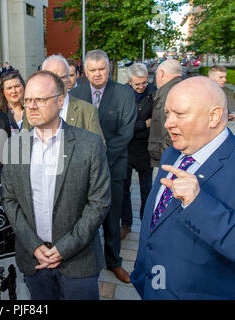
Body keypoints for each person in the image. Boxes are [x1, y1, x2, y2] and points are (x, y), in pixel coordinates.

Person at [1, 71, 111, 300]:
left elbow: (99, 203)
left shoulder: (89, 145)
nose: (31, 106)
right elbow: (10, 200)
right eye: (28, 100)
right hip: (35, 262)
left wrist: (64, 249)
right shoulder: (15, 147)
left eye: (39, 100)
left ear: (60, 101)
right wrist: (33, 246)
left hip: (78, 263)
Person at [131, 76, 235, 299]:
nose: (168, 123)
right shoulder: (172, 153)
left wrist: (198, 205)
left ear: (214, 116)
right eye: (168, 113)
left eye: (180, 114)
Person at [70, 50, 137, 283]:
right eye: (93, 70)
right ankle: (82, 260)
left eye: (102, 69)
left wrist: (99, 160)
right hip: (80, 170)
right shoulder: (74, 94)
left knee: (111, 216)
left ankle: (114, 261)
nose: (98, 74)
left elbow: (125, 133)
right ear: (85, 72)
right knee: (81, 216)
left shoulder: (124, 94)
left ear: (109, 68)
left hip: (113, 167)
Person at [29, 54, 104, 140]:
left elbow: (99, 147)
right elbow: (24, 145)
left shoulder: (87, 111)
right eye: (52, 77)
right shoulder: (32, 109)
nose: (57, 82)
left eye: (62, 77)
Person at [120, 63, 156, 239]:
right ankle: (125, 224)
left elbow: (156, 120)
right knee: (124, 188)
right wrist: (143, 124)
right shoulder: (122, 95)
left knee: (147, 190)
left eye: (144, 82)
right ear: (129, 82)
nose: (142, 86)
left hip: (145, 148)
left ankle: (146, 224)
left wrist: (143, 125)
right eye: (137, 84)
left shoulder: (153, 92)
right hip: (126, 147)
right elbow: (123, 124)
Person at [148, 59, 182, 167]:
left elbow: (169, 133)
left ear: (161, 73)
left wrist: (167, 160)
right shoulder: (182, 89)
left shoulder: (169, 95)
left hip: (170, 159)